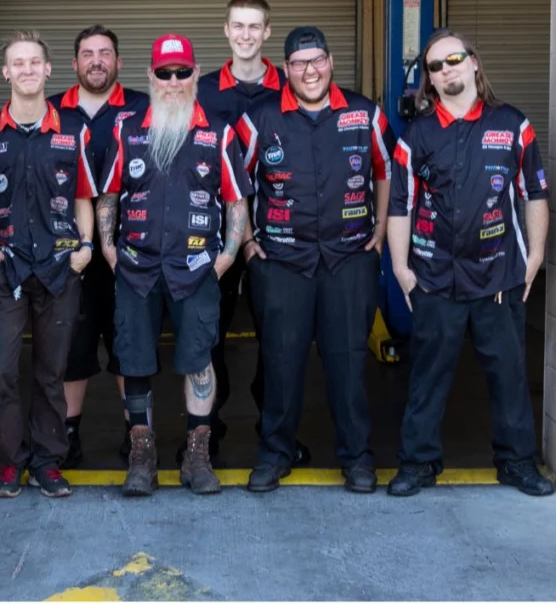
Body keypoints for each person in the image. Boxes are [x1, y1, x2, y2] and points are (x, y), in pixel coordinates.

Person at [387, 28, 554, 498]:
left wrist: (535, 255)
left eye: (454, 59)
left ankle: (517, 462)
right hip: (434, 275)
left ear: (474, 62)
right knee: (427, 375)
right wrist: (401, 268)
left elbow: (534, 193)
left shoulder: (513, 124)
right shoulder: (417, 135)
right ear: (429, 80)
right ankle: (418, 463)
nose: (446, 70)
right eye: (435, 66)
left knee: (508, 373)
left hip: (498, 274)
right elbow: (399, 203)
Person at [236, 26, 395, 493]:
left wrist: (382, 230)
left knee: (347, 363)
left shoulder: (364, 114)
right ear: (285, 69)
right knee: (281, 362)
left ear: (331, 62)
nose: (310, 70)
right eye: (300, 62)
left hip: (349, 259)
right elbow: (235, 183)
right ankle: (274, 454)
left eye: (318, 59)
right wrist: (247, 240)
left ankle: (357, 458)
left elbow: (385, 172)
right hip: (282, 260)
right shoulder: (259, 118)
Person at [97, 34, 252, 496]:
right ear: (150, 76)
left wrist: (224, 260)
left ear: (195, 74)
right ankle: (142, 455)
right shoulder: (128, 129)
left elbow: (237, 202)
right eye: (163, 73)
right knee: (134, 360)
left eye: (182, 71)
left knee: (198, 361)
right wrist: (108, 249)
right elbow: (108, 194)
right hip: (136, 269)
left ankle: (196, 454)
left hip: (197, 271)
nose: (172, 81)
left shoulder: (218, 133)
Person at [0, 30, 97, 500]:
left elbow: (84, 195)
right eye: (16, 63)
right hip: (6, 269)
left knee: (51, 372)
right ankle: (8, 463)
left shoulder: (73, 132)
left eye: (33, 62)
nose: (25, 70)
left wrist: (85, 247)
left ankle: (46, 462)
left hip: (61, 269)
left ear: (47, 70)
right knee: (0, 370)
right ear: (5, 73)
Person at [197, 0, 295, 458]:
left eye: (255, 27)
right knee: (208, 333)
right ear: (226, 30)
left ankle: (274, 433)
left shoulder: (291, 86)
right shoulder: (204, 90)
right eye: (238, 25)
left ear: (268, 32)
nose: (246, 35)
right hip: (212, 233)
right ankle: (208, 430)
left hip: (274, 236)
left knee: (275, 336)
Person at [49, 25, 148, 466]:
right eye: (87, 53)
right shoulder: (52, 112)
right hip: (68, 254)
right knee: (75, 347)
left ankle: (137, 435)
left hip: (134, 252)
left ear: (118, 62)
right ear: (74, 64)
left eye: (105, 53)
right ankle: (68, 437)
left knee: (130, 345)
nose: (96, 61)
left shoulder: (144, 109)